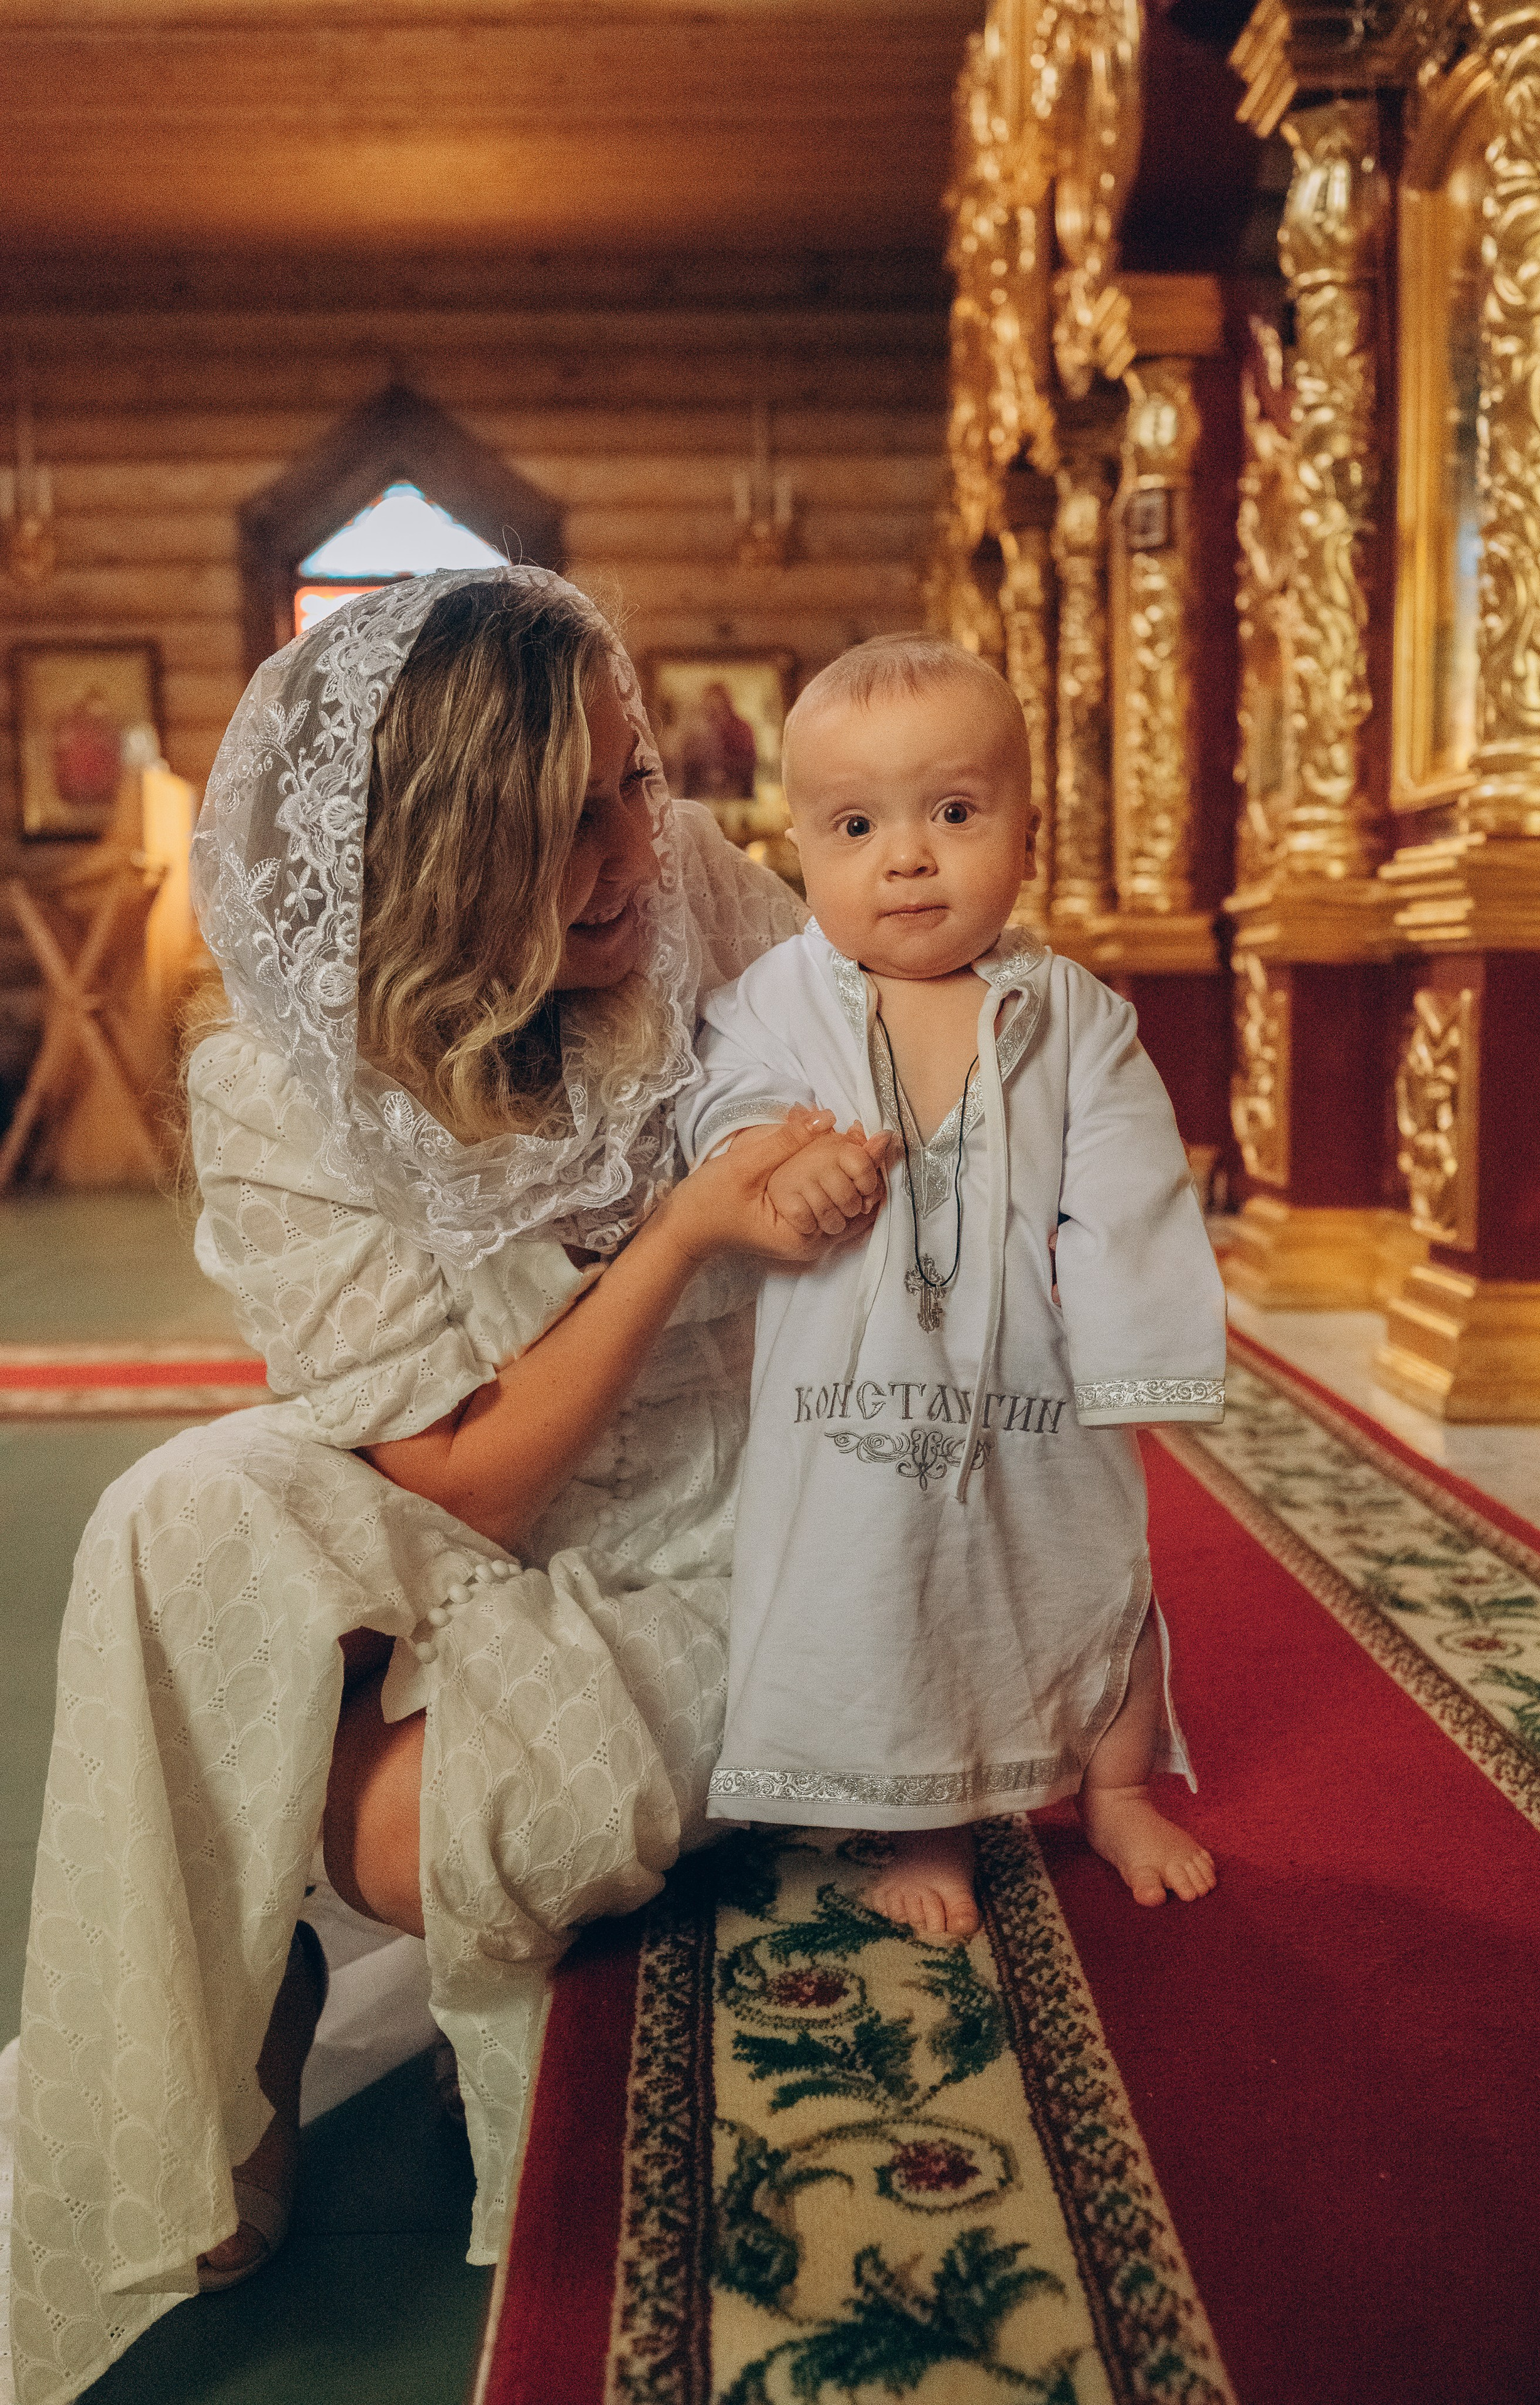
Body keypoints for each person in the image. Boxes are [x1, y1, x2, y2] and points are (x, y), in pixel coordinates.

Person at [8, 570, 860, 2405]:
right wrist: (681, 1234)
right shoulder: (277, 1080)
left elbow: (868, 1055)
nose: (633, 851)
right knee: (171, 1519)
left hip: (729, 1509)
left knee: (420, 1832)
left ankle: (282, 1882)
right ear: (440, 854)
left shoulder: (687, 886)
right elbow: (459, 1480)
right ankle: (221, 2047)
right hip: (481, 1483)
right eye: (564, 822)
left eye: (633, 781)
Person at [675, 633, 1227, 1941]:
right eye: (857, 826)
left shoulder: (1073, 1014)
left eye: (955, 814)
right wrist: (779, 1161)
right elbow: (720, 1109)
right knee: (892, 1587)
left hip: (1033, 1378)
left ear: (1026, 831)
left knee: (1092, 1572)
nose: (907, 858)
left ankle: (1115, 1785)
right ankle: (926, 1819)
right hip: (847, 1390)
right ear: (800, 850)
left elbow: (1131, 1184)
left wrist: (1131, 1357)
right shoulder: (774, 1000)